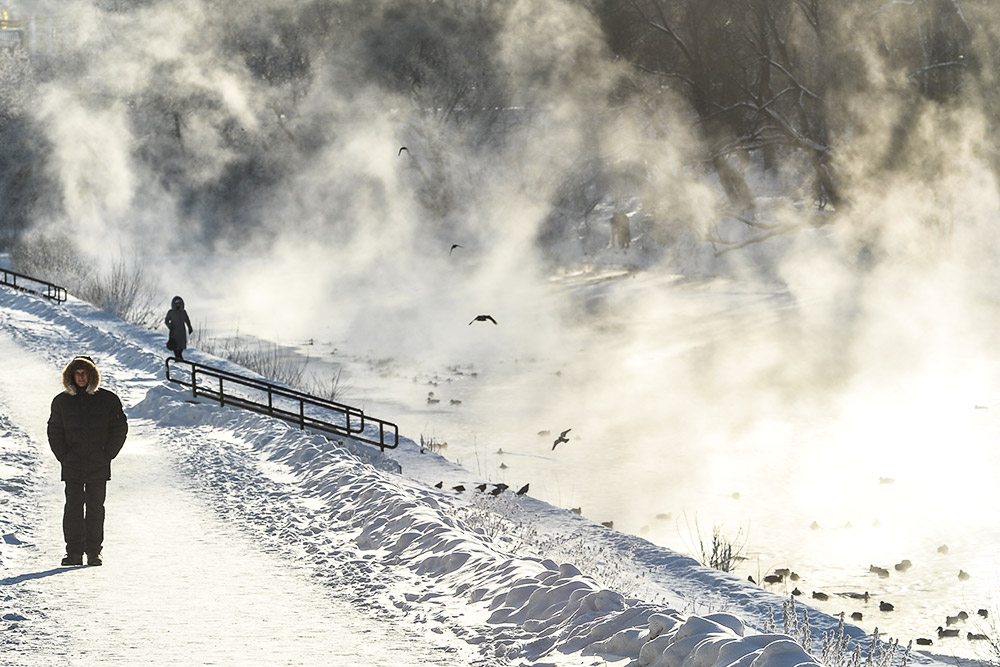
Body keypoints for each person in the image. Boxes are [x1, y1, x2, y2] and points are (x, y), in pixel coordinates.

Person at [47, 356, 128, 567]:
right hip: (72, 463)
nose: (81, 377)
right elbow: (54, 431)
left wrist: (107, 454)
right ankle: (73, 553)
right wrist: (63, 456)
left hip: (98, 463)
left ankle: (94, 552)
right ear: (71, 375)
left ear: (92, 375)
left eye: (85, 373)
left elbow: (120, 428)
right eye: (77, 373)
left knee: (95, 508)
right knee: (73, 507)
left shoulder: (108, 400)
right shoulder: (61, 401)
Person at [164, 295, 194, 361]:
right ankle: (178, 357)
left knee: (181, 345)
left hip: (181, 332)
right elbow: (166, 321)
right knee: (175, 345)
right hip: (174, 332)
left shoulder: (183, 312)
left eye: (179, 303)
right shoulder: (171, 312)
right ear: (173, 304)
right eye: (176, 303)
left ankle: (179, 357)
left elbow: (187, 320)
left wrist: (190, 327)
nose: (178, 304)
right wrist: (170, 326)